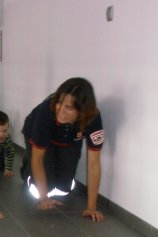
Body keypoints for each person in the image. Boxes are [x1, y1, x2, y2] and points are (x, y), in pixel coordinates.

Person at [21, 77, 105, 222]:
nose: (60, 110)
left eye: (69, 107)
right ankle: (27, 171)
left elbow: (93, 164)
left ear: (82, 111)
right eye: (59, 103)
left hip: (69, 139)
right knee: (44, 187)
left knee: (64, 189)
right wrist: (43, 197)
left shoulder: (93, 119)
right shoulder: (46, 111)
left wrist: (91, 207)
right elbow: (38, 158)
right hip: (40, 134)